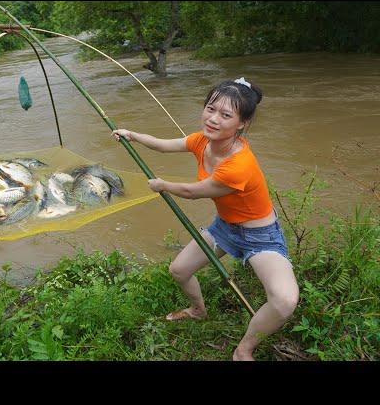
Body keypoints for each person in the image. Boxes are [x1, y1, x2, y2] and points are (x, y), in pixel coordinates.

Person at [112, 77, 299, 361]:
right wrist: (133, 135)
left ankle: (244, 349)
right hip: (225, 226)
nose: (213, 119)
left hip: (260, 235)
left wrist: (162, 185)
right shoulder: (203, 140)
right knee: (179, 270)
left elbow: (193, 192)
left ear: (242, 124)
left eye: (226, 115)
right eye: (211, 109)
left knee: (285, 301)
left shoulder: (239, 165)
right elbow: (164, 145)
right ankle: (198, 310)